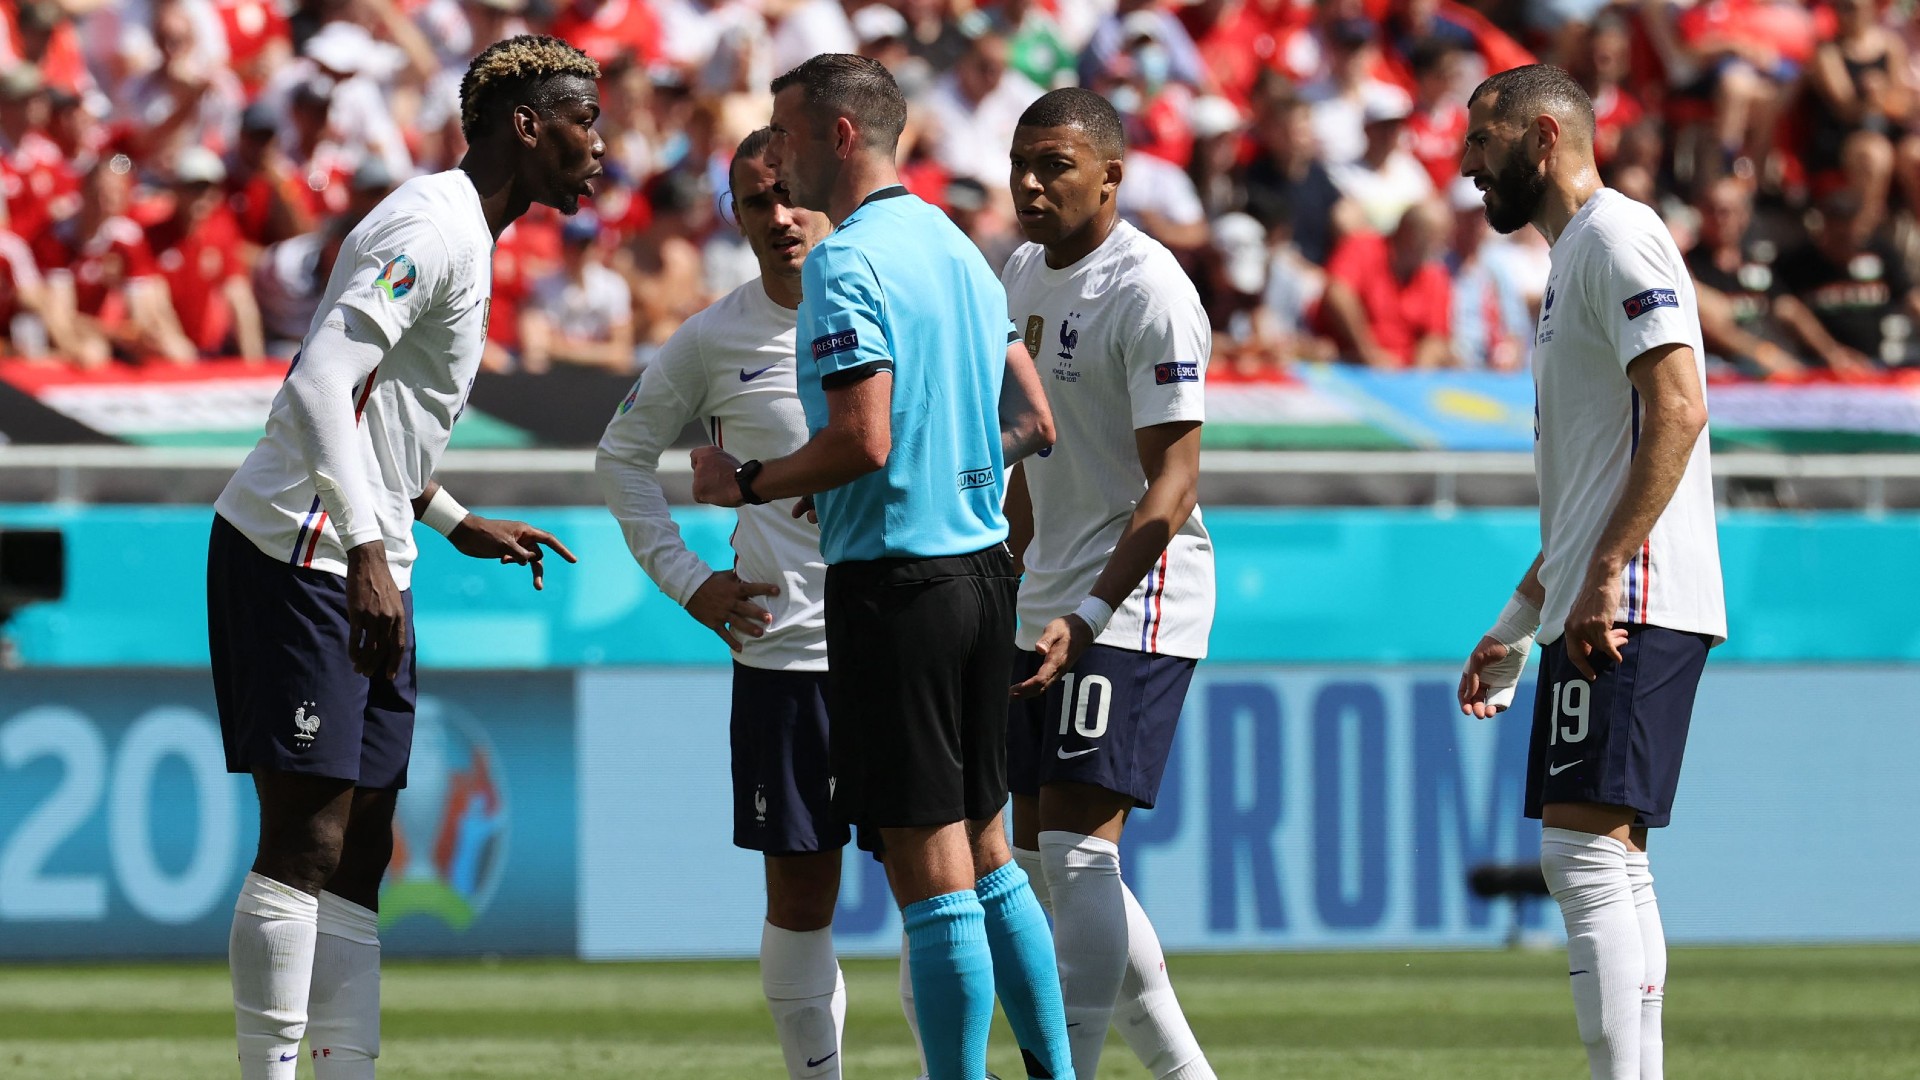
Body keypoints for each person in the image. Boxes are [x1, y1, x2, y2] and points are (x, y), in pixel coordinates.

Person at [208, 34, 597, 1080]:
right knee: (308, 839)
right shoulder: (430, 225)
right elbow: (318, 386)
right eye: (583, 120)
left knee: (365, 845)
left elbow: (378, 423)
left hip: (361, 548)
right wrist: (371, 549)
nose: (599, 145)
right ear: (527, 126)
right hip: (301, 548)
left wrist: (448, 517)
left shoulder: (469, 231)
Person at [687, 53, 1066, 1080]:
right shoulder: (956, 244)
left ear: (839, 136)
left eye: (786, 132)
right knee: (990, 855)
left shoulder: (845, 262)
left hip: (898, 589)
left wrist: (749, 480)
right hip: (983, 575)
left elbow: (862, 439)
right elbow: (1034, 419)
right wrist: (933, 468)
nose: (777, 155)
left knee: (929, 870)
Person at [1456, 64, 1726, 1080]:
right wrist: (1518, 621)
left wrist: (1606, 573)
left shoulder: (1616, 237)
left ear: (1542, 138)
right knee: (1611, 862)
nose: (1466, 163)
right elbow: (1587, 489)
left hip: (1631, 596)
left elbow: (1681, 408)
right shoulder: (1575, 258)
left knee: (1581, 857)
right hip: (1609, 593)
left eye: (1482, 140)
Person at [596, 128, 848, 1080]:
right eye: (755, 201)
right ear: (734, 217)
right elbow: (621, 457)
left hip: (908, 640)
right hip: (787, 656)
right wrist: (688, 579)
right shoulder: (713, 337)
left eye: (791, 192)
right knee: (801, 899)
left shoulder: (902, 307)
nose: (779, 215)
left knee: (943, 886)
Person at [1001, 87, 1219, 1080]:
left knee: (1080, 854)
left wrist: (1090, 614)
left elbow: (1175, 483)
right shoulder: (1019, 273)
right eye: (1021, 165)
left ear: (1111, 177)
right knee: (1038, 862)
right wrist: (1006, 574)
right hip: (1046, 597)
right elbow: (1036, 455)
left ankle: (1067, 1070)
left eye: (1054, 165)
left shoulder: (1150, 290)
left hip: (1134, 599)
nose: (1031, 185)